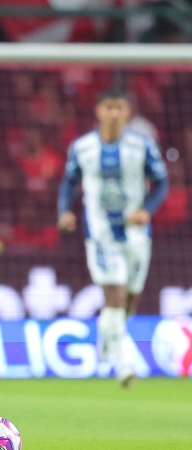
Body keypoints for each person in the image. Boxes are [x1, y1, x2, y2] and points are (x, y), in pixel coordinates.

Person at [58, 88, 168, 388]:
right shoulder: (82, 147)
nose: (114, 114)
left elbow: (161, 182)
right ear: (99, 111)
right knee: (115, 296)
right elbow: (69, 181)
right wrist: (64, 211)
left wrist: (146, 210)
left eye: (120, 108)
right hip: (100, 235)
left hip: (136, 236)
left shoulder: (142, 146)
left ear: (128, 112)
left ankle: (106, 333)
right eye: (109, 107)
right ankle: (123, 366)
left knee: (129, 301)